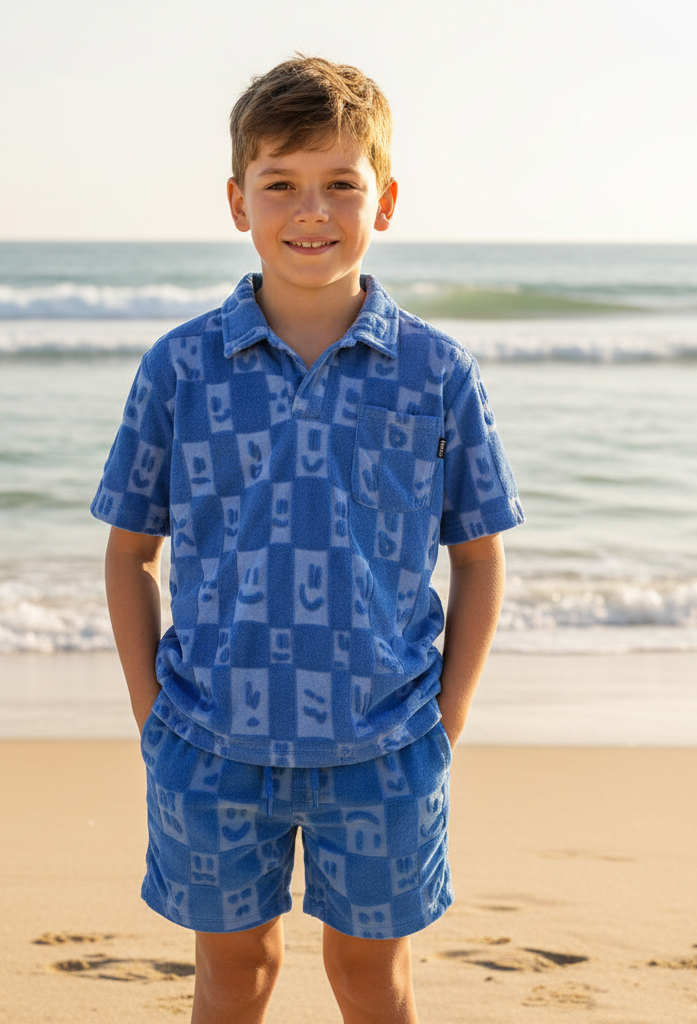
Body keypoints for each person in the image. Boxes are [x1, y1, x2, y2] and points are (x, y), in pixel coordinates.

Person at [91, 55, 525, 1024]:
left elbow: (479, 554)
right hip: (208, 741)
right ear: (237, 200)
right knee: (232, 974)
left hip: (385, 743)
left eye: (341, 183)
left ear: (387, 199)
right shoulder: (181, 365)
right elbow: (129, 550)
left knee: (373, 979)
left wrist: (444, 718)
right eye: (280, 184)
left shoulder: (436, 370)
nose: (311, 210)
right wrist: (151, 714)